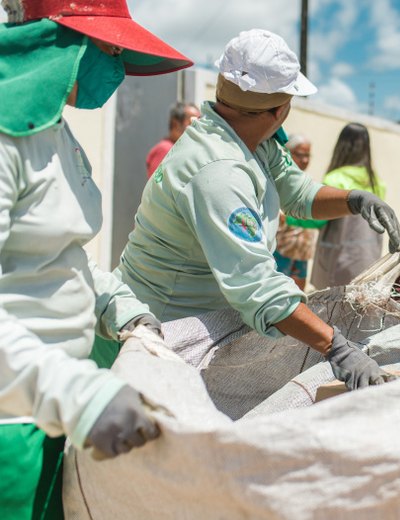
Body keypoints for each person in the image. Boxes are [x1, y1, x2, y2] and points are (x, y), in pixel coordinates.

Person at [113, 30, 400, 392]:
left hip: (201, 323)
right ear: (281, 109)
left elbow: (299, 193)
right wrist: (338, 348)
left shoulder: (250, 141)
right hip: (160, 334)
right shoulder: (217, 171)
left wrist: (354, 200)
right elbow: (259, 288)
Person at [0, 0, 192, 517]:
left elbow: (63, 255)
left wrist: (118, 305)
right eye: (108, 46)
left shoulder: (56, 130)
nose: (117, 65)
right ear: (55, 39)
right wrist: (78, 395)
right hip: (10, 427)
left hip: (53, 410)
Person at [310, 123, 388, 289]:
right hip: (367, 263)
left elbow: (317, 219)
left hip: (336, 265)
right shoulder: (377, 184)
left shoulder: (334, 179)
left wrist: (289, 217)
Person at [273, 133, 319, 289]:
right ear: (287, 152)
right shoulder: (278, 178)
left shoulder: (309, 181)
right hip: (280, 250)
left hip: (301, 254)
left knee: (297, 296)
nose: (305, 160)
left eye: (308, 155)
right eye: (300, 155)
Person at [145, 101, 201, 178]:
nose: (197, 125)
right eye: (191, 121)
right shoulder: (165, 150)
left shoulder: (183, 148)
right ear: (176, 124)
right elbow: (157, 185)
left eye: (198, 120)